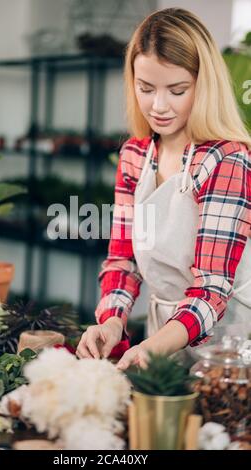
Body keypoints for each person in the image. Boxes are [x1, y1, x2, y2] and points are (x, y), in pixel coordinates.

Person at [76, 7, 251, 370]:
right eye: (145, 88)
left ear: (204, 85)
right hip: (162, 337)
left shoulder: (225, 160)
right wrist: (112, 320)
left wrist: (152, 347)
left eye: (176, 90)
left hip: (229, 343)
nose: (158, 106)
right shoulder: (135, 156)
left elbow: (211, 290)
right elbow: (123, 260)